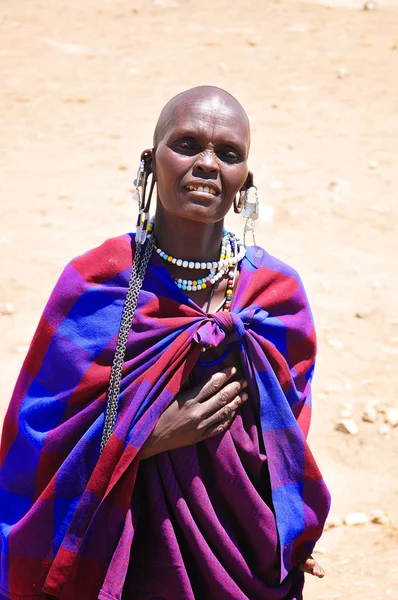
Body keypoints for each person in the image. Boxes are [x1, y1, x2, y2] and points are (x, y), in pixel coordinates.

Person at [0, 86, 330, 600]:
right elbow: (37, 446)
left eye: (228, 153)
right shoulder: (97, 286)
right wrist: (149, 438)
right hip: (123, 552)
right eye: (187, 144)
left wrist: (290, 524)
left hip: (241, 555)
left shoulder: (275, 298)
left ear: (246, 182)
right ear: (151, 164)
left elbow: (285, 438)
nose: (206, 164)